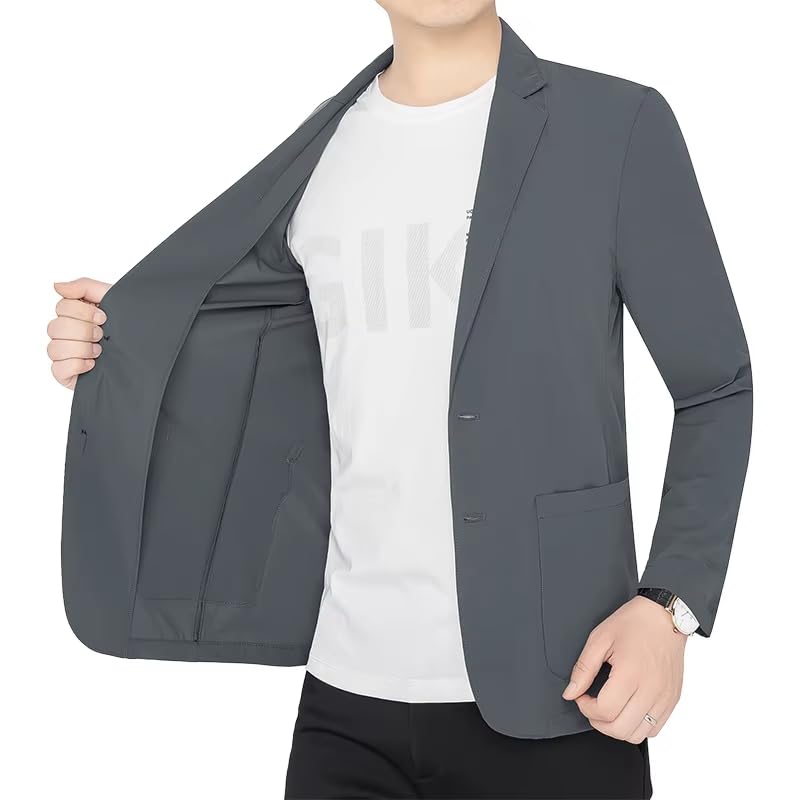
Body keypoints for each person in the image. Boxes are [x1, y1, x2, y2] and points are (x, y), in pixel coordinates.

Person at [47, 2, 752, 798]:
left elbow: (716, 388)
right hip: (345, 704)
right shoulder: (321, 156)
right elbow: (244, 356)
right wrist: (114, 342)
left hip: (560, 691)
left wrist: (669, 606)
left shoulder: (614, 128)